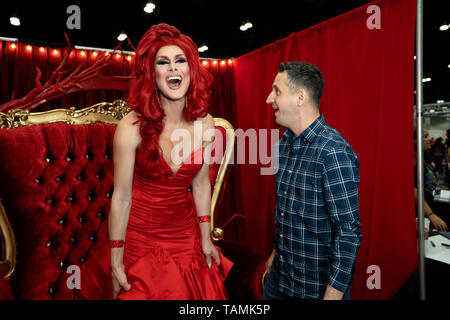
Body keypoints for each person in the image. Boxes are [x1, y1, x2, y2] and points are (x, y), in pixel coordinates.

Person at [108, 23, 232, 300]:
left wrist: (205, 238)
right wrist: (116, 260)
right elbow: (121, 198)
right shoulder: (131, 126)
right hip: (141, 242)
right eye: (164, 63)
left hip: (185, 238)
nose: (174, 68)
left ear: (191, 69)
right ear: (152, 74)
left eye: (181, 61)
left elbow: (200, 184)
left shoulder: (205, 123)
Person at [262, 62, 362, 300]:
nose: (269, 99)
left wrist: (334, 293)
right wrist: (276, 253)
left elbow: (348, 232)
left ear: (300, 97)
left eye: (277, 91)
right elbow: (287, 212)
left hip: (316, 290)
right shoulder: (282, 147)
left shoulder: (333, 151)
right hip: (280, 280)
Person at [414, 129, 448, 231]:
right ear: (414, 140)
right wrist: (430, 214)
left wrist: (442, 196)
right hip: (427, 210)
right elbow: (413, 190)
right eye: (425, 136)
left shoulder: (424, 157)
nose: (429, 139)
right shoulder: (412, 160)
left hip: (436, 204)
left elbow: (433, 183)